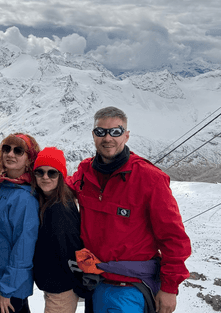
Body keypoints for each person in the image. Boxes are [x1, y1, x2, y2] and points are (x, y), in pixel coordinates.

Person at [67, 106, 191, 313]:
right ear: (93, 135)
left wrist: (170, 288)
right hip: (96, 283)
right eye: (101, 132)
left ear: (126, 135)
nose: (108, 138)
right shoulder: (85, 173)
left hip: (131, 287)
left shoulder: (150, 178)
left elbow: (174, 237)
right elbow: (59, 189)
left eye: (115, 131)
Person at [0, 133, 40, 313]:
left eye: (18, 151)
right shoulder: (7, 186)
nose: (10, 154)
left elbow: (23, 248)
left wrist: (6, 289)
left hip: (10, 288)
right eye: (6, 149)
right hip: (4, 283)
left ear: (29, 159)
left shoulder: (25, 198)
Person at [32, 147, 90, 313]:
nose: (45, 177)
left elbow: (70, 249)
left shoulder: (60, 208)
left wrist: (76, 281)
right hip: (54, 285)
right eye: (40, 172)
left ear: (61, 176)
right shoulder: (48, 201)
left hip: (62, 288)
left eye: (52, 173)